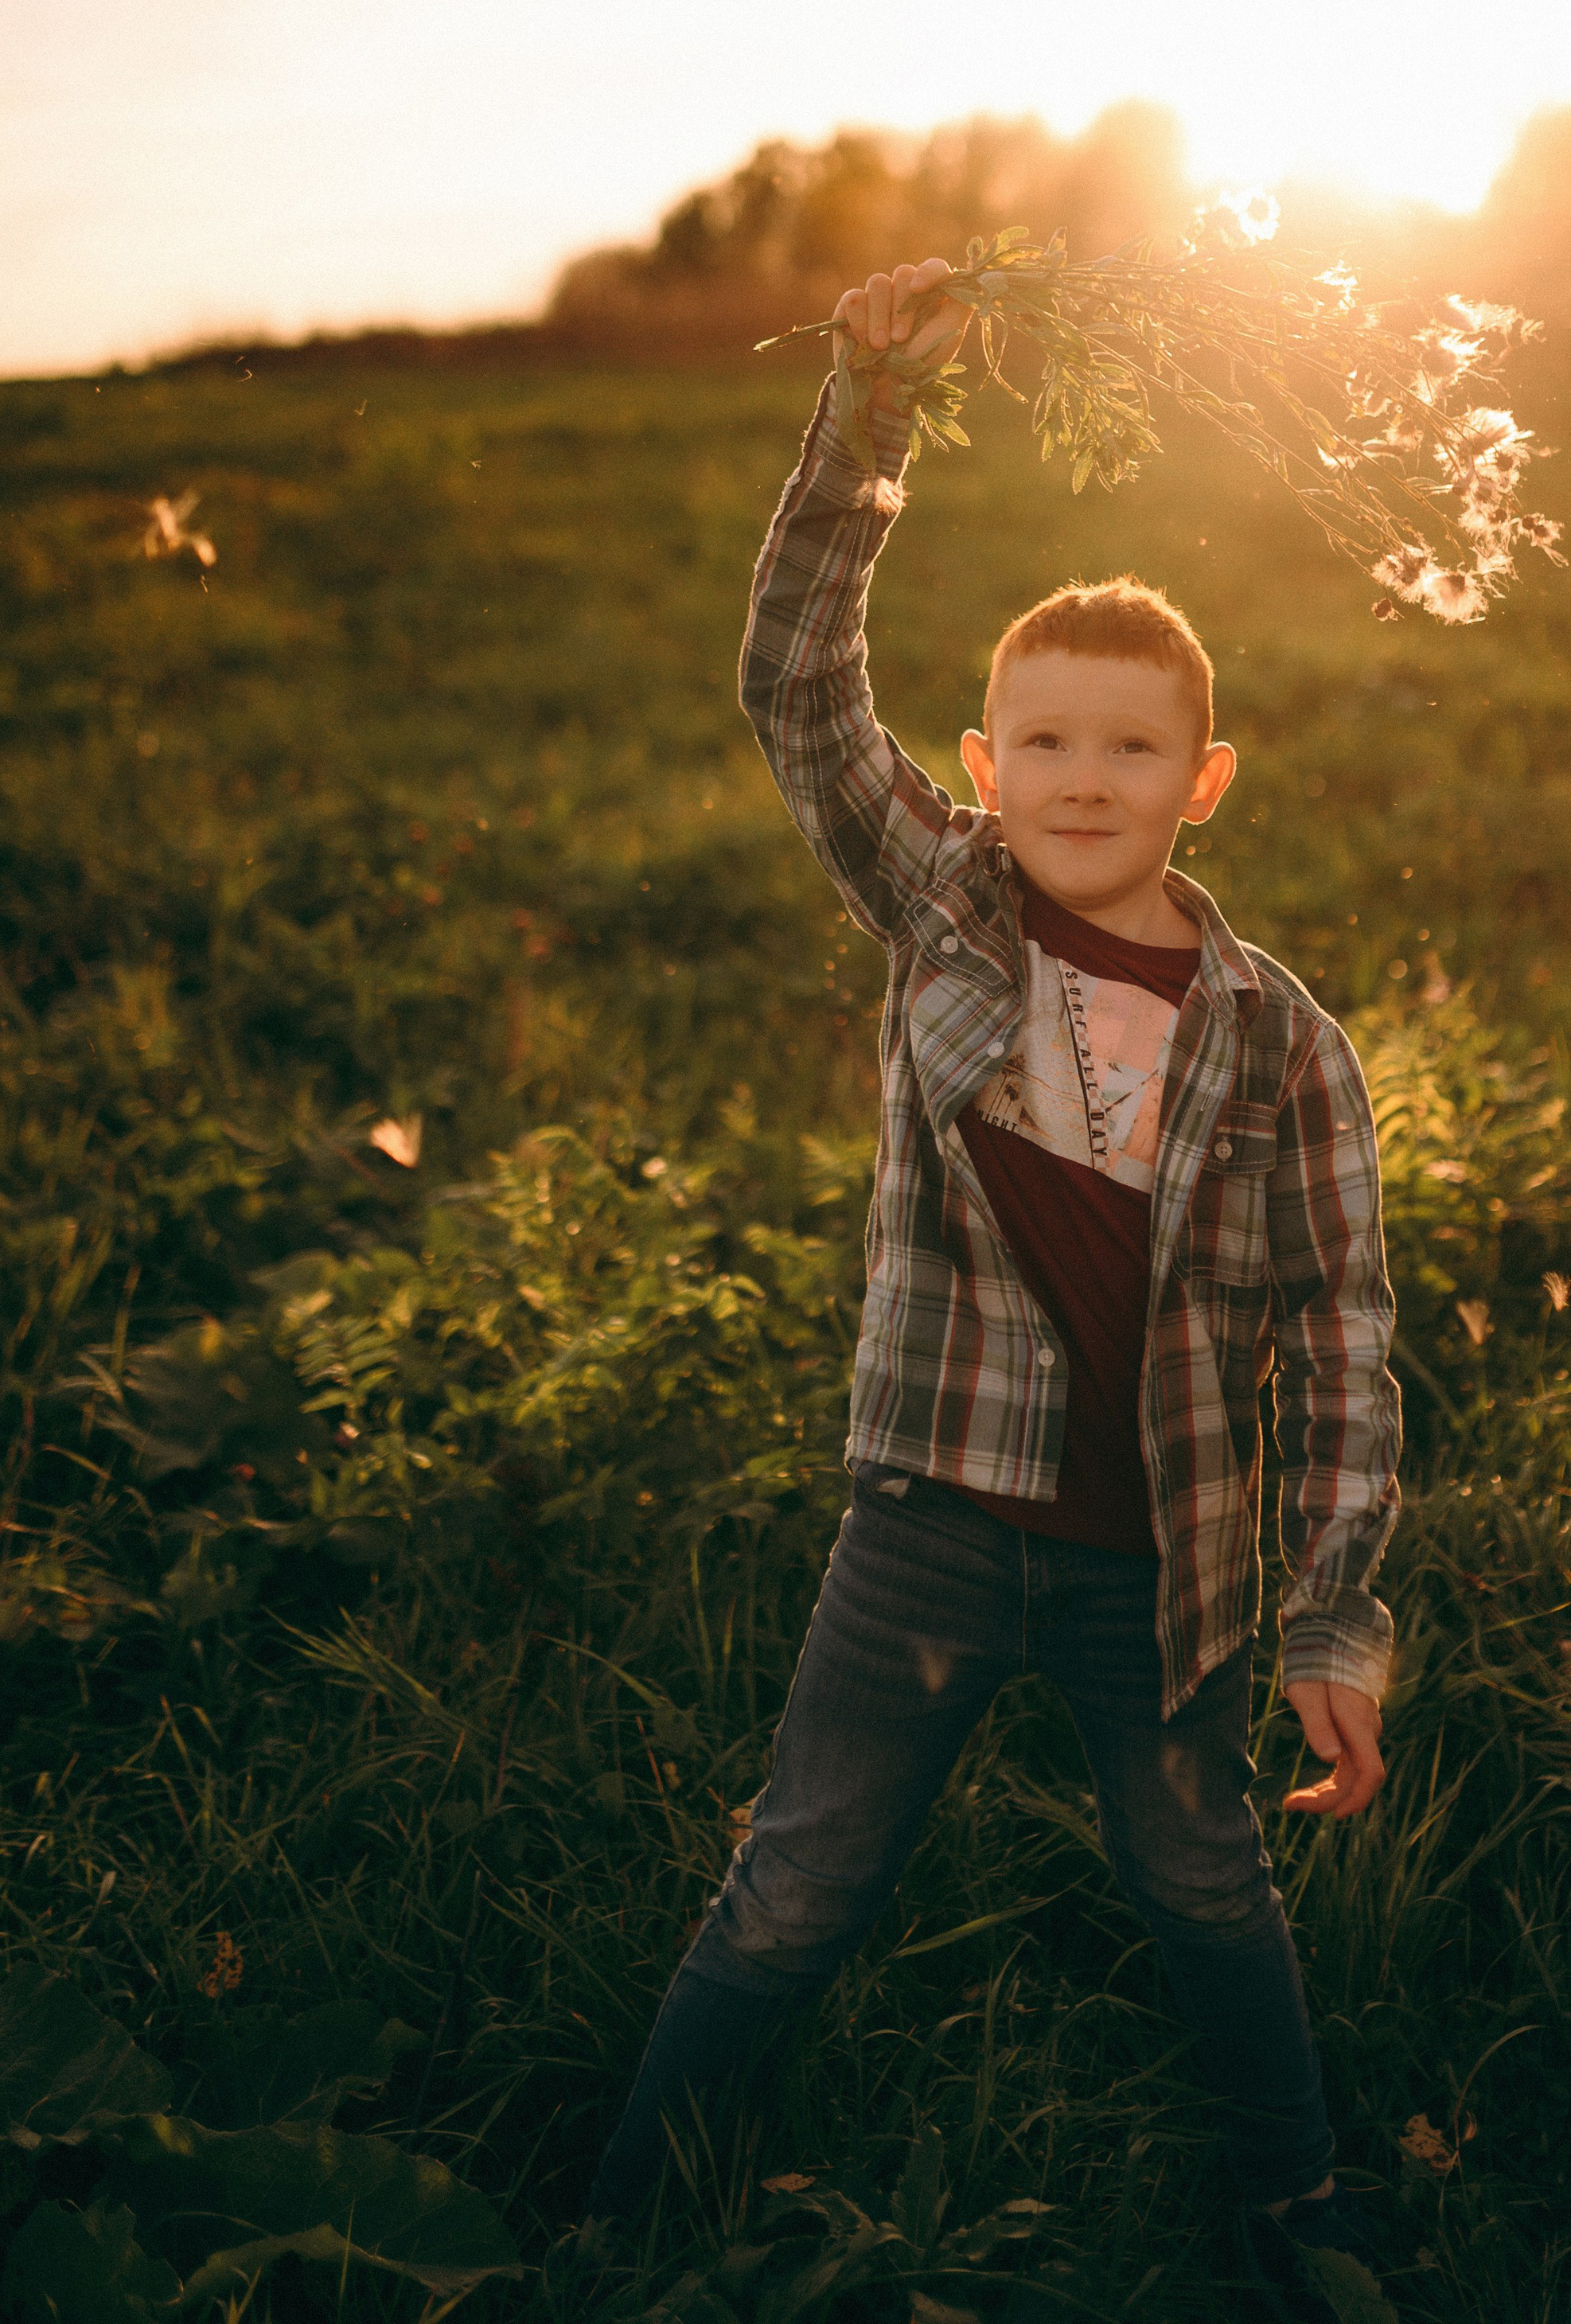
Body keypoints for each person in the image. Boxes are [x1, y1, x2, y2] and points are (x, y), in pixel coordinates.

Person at [582, 259, 1402, 2299]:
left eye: (1129, 745)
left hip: (1160, 1565)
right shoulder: (945, 904)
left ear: (1202, 779)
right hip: (929, 1524)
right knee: (794, 1885)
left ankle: (1295, 2200)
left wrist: (1330, 1610)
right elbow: (792, 686)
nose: (1080, 779)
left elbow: (1343, 1338)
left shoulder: (1280, 1042)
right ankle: (617, 2219)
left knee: (1205, 1883)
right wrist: (868, 410)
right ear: (982, 757)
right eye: (1040, 740)